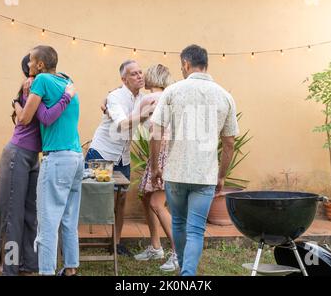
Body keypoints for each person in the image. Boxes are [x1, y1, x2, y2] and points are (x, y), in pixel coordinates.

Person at [150, 45, 239, 276]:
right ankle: (187, 274)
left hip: (176, 173)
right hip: (205, 175)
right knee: (196, 230)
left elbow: (156, 132)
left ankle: (184, 270)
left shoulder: (172, 91)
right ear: (206, 64)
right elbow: (229, 143)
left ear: (186, 64)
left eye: (182, 66)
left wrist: (155, 168)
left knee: (178, 223)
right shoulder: (224, 96)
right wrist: (221, 176)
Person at [0, 54, 75, 276]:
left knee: (32, 215)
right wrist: (18, 101)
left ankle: (29, 265)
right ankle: (9, 266)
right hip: (17, 153)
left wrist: (67, 95)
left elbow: (48, 116)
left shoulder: (51, 84)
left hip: (34, 157)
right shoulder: (32, 85)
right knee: (12, 214)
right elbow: (23, 119)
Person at [18, 45, 83, 276]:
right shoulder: (67, 80)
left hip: (57, 158)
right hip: (76, 157)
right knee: (68, 217)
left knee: (46, 222)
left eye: (31, 61)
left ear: (40, 65)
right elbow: (46, 115)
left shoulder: (42, 79)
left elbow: (25, 118)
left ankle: (46, 271)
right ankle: (71, 268)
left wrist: (17, 103)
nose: (28, 65)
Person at [87, 60, 152, 256]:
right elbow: (123, 124)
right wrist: (143, 115)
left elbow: (151, 124)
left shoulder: (143, 98)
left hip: (123, 157)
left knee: (121, 198)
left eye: (141, 72)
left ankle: (115, 243)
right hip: (102, 153)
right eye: (134, 74)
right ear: (124, 79)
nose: (140, 76)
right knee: (93, 198)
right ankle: (73, 240)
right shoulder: (114, 97)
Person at [133, 64, 179, 272]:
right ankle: (155, 246)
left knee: (157, 202)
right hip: (171, 151)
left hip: (161, 151)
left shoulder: (149, 99)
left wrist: (154, 166)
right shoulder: (171, 96)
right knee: (145, 197)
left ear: (151, 78)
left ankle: (179, 253)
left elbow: (150, 133)